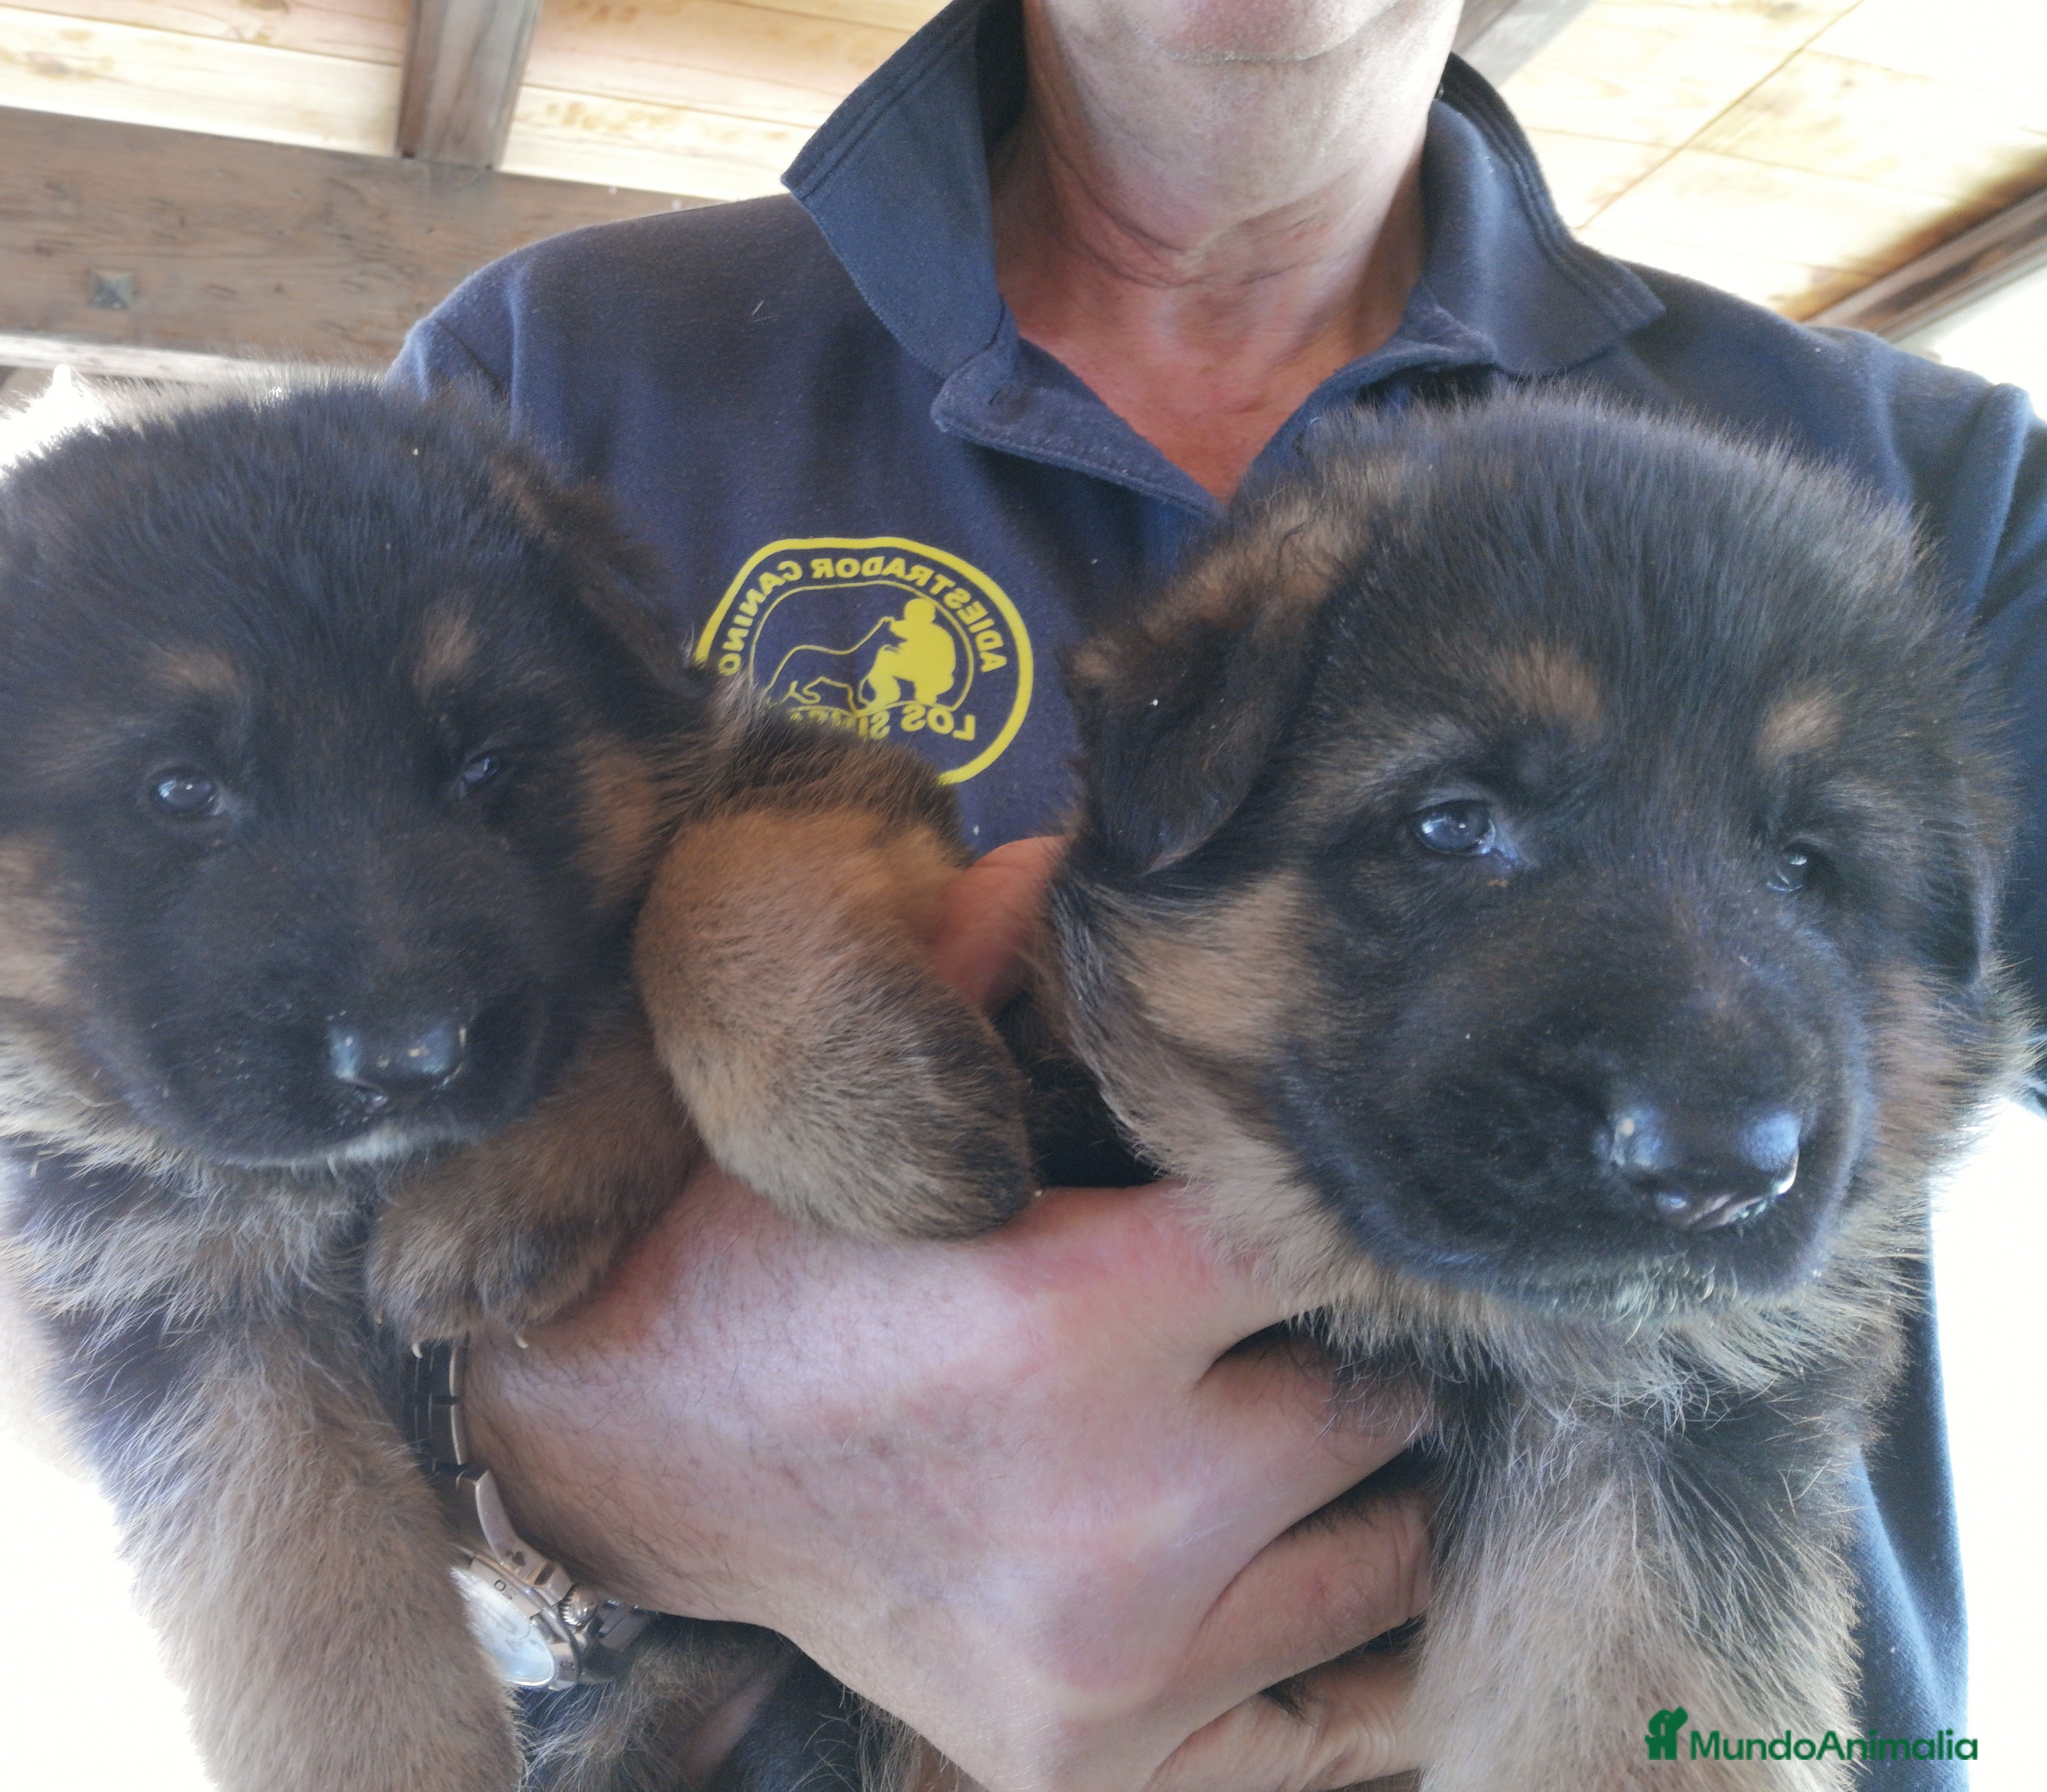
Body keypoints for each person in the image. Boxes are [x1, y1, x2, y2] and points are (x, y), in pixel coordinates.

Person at [386, 0, 2047, 1785]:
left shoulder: (1937, 490)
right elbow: (99, 1185)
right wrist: (572, 1453)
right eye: (1459, 822)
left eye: (1811, 865)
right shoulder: (567, 370)